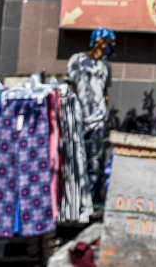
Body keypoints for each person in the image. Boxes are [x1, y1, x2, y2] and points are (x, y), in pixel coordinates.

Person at [67, 27, 115, 203]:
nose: (113, 46)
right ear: (99, 41)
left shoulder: (105, 65)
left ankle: (90, 201)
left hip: (98, 121)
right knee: (76, 160)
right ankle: (74, 201)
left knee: (95, 163)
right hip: (80, 119)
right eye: (110, 42)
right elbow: (71, 88)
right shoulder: (77, 60)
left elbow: (105, 91)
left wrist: (105, 112)